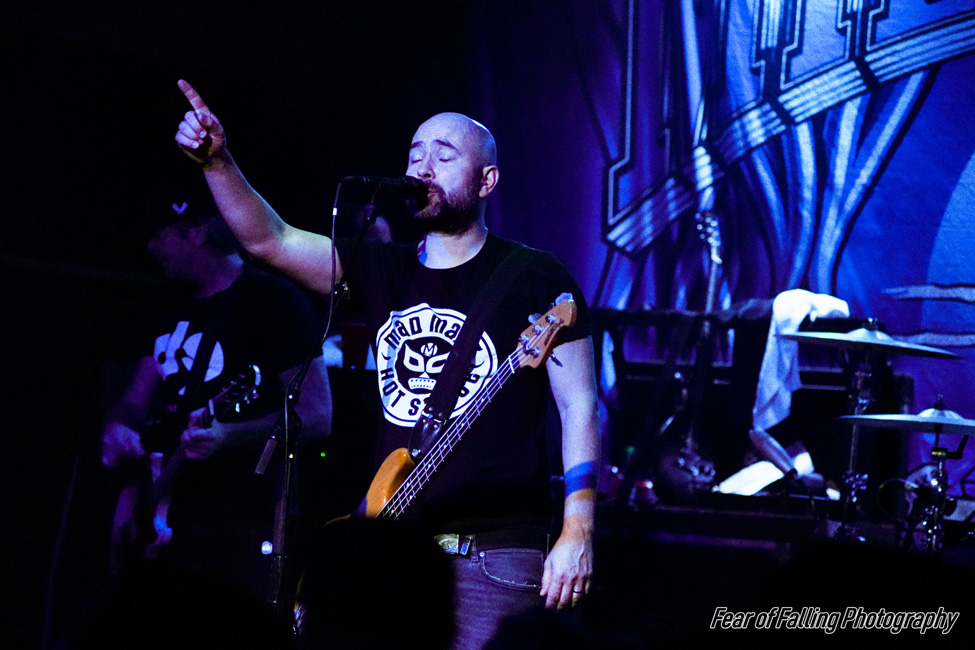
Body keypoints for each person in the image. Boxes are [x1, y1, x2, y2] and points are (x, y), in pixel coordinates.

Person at [173, 79, 600, 650]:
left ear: (486, 180)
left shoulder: (535, 277)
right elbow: (268, 241)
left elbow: (579, 405)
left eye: (444, 156)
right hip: (395, 556)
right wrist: (218, 162)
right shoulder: (382, 269)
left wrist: (578, 526)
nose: (423, 167)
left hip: (493, 555)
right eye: (415, 155)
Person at [101, 173, 332, 607]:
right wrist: (117, 428)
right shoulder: (170, 305)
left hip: (237, 526)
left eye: (160, 235)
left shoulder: (273, 301)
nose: (151, 247)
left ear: (197, 231)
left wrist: (230, 436)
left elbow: (318, 416)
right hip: (163, 515)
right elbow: (134, 401)